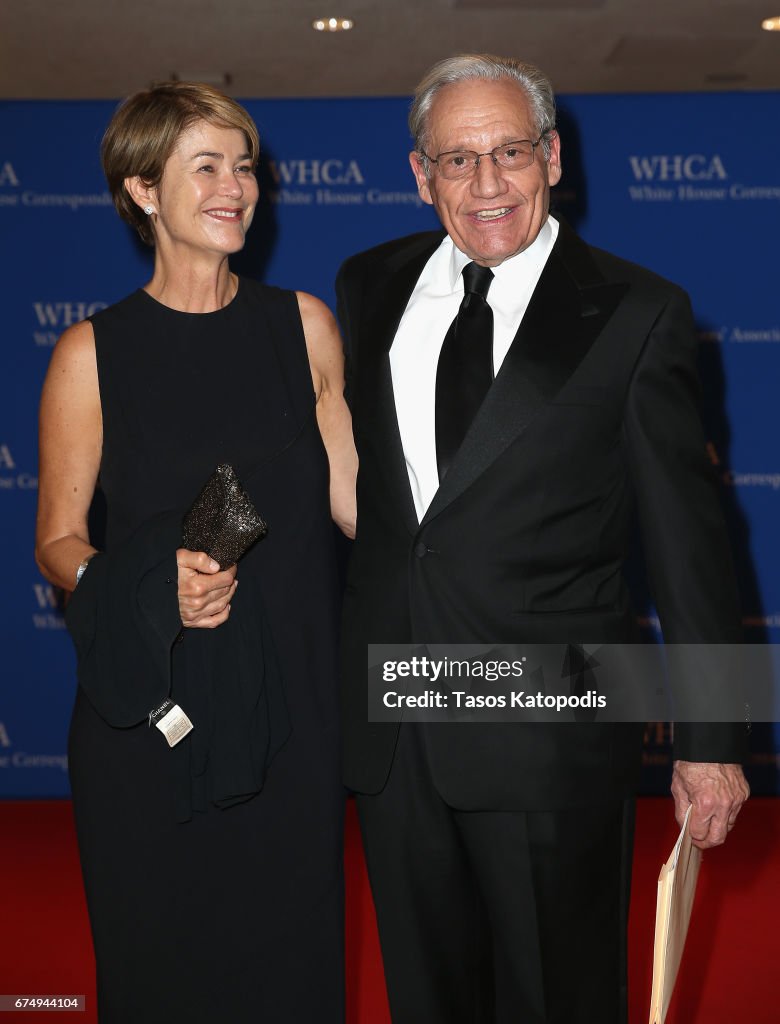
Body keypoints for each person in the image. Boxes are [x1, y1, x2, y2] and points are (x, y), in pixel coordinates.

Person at [336, 53, 749, 1024]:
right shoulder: (371, 285)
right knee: (428, 999)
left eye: (510, 151)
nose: (486, 184)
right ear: (419, 174)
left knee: (557, 1000)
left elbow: (691, 541)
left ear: (553, 156)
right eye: (457, 159)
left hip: (549, 725)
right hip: (396, 726)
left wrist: (713, 740)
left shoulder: (641, 313)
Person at [35, 82, 356, 1023]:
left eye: (244, 165)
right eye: (205, 166)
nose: (236, 187)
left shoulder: (304, 328)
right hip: (151, 733)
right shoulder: (91, 354)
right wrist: (142, 580)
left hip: (293, 724)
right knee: (163, 981)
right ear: (142, 190)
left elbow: (356, 509)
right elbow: (57, 542)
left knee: (290, 977)